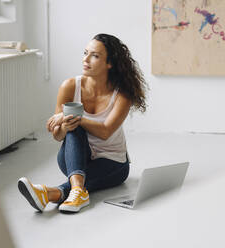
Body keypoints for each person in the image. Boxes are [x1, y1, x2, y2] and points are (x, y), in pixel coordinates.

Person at [18, 33, 147, 213]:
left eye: (94, 55)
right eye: (85, 53)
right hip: (74, 158)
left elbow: (105, 131)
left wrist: (68, 116)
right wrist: (64, 124)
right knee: (74, 128)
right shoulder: (70, 86)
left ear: (110, 63)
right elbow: (58, 136)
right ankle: (78, 191)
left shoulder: (122, 95)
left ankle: (50, 193)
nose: (85, 59)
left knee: (75, 122)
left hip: (112, 163)